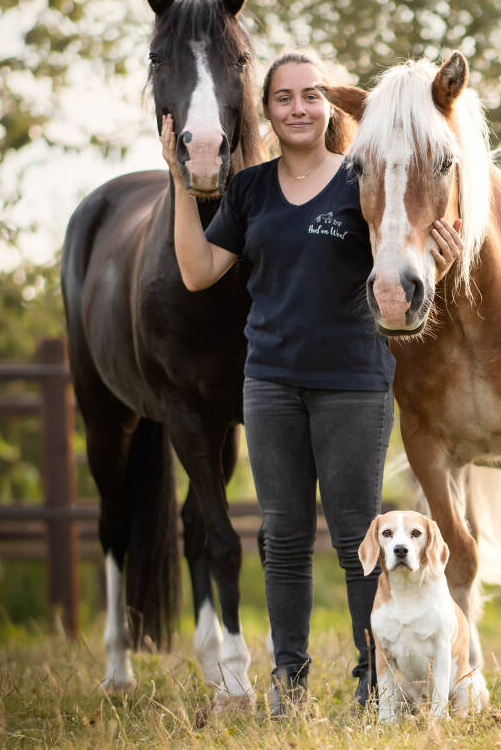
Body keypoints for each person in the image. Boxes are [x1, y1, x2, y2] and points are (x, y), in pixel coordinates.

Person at [161, 49, 463, 713]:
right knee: (284, 537)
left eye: (310, 96)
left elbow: (401, 254)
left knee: (361, 537)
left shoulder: (362, 176)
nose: (298, 108)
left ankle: (374, 681)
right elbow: (197, 270)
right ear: (267, 111)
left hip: (352, 382)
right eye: (283, 97)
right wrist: (182, 180)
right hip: (270, 382)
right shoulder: (250, 190)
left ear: (329, 108)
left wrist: (436, 263)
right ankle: (289, 683)